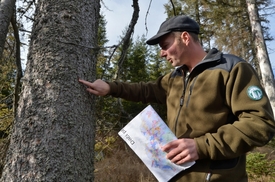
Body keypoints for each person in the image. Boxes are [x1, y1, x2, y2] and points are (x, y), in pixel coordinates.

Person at [79, 15, 275, 182]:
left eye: (165, 45)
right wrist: (110, 88)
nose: (162, 53)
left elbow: (260, 124)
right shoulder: (175, 77)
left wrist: (200, 146)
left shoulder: (231, 69)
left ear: (185, 37)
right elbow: (145, 90)